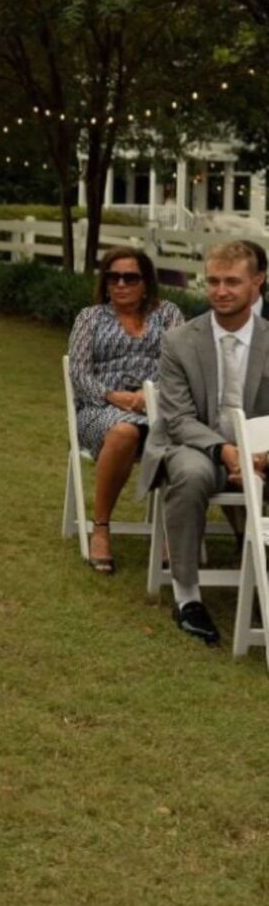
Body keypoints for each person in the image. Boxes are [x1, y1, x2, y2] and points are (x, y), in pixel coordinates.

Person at [138, 241, 269, 644]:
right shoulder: (179, 340)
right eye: (213, 281)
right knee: (191, 475)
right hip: (195, 446)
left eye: (232, 281)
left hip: (262, 449)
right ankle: (188, 596)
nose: (221, 291)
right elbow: (177, 419)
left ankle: (263, 581)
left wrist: (260, 454)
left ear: (258, 282)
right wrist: (226, 451)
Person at [68, 246, 184, 573]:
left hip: (158, 407)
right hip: (100, 408)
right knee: (124, 431)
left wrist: (151, 395)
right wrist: (113, 396)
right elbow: (78, 373)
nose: (120, 284)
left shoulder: (169, 315)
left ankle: (173, 532)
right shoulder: (90, 318)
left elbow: (182, 366)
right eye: (113, 277)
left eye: (130, 277)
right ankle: (101, 528)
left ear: (146, 282)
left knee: (186, 433)